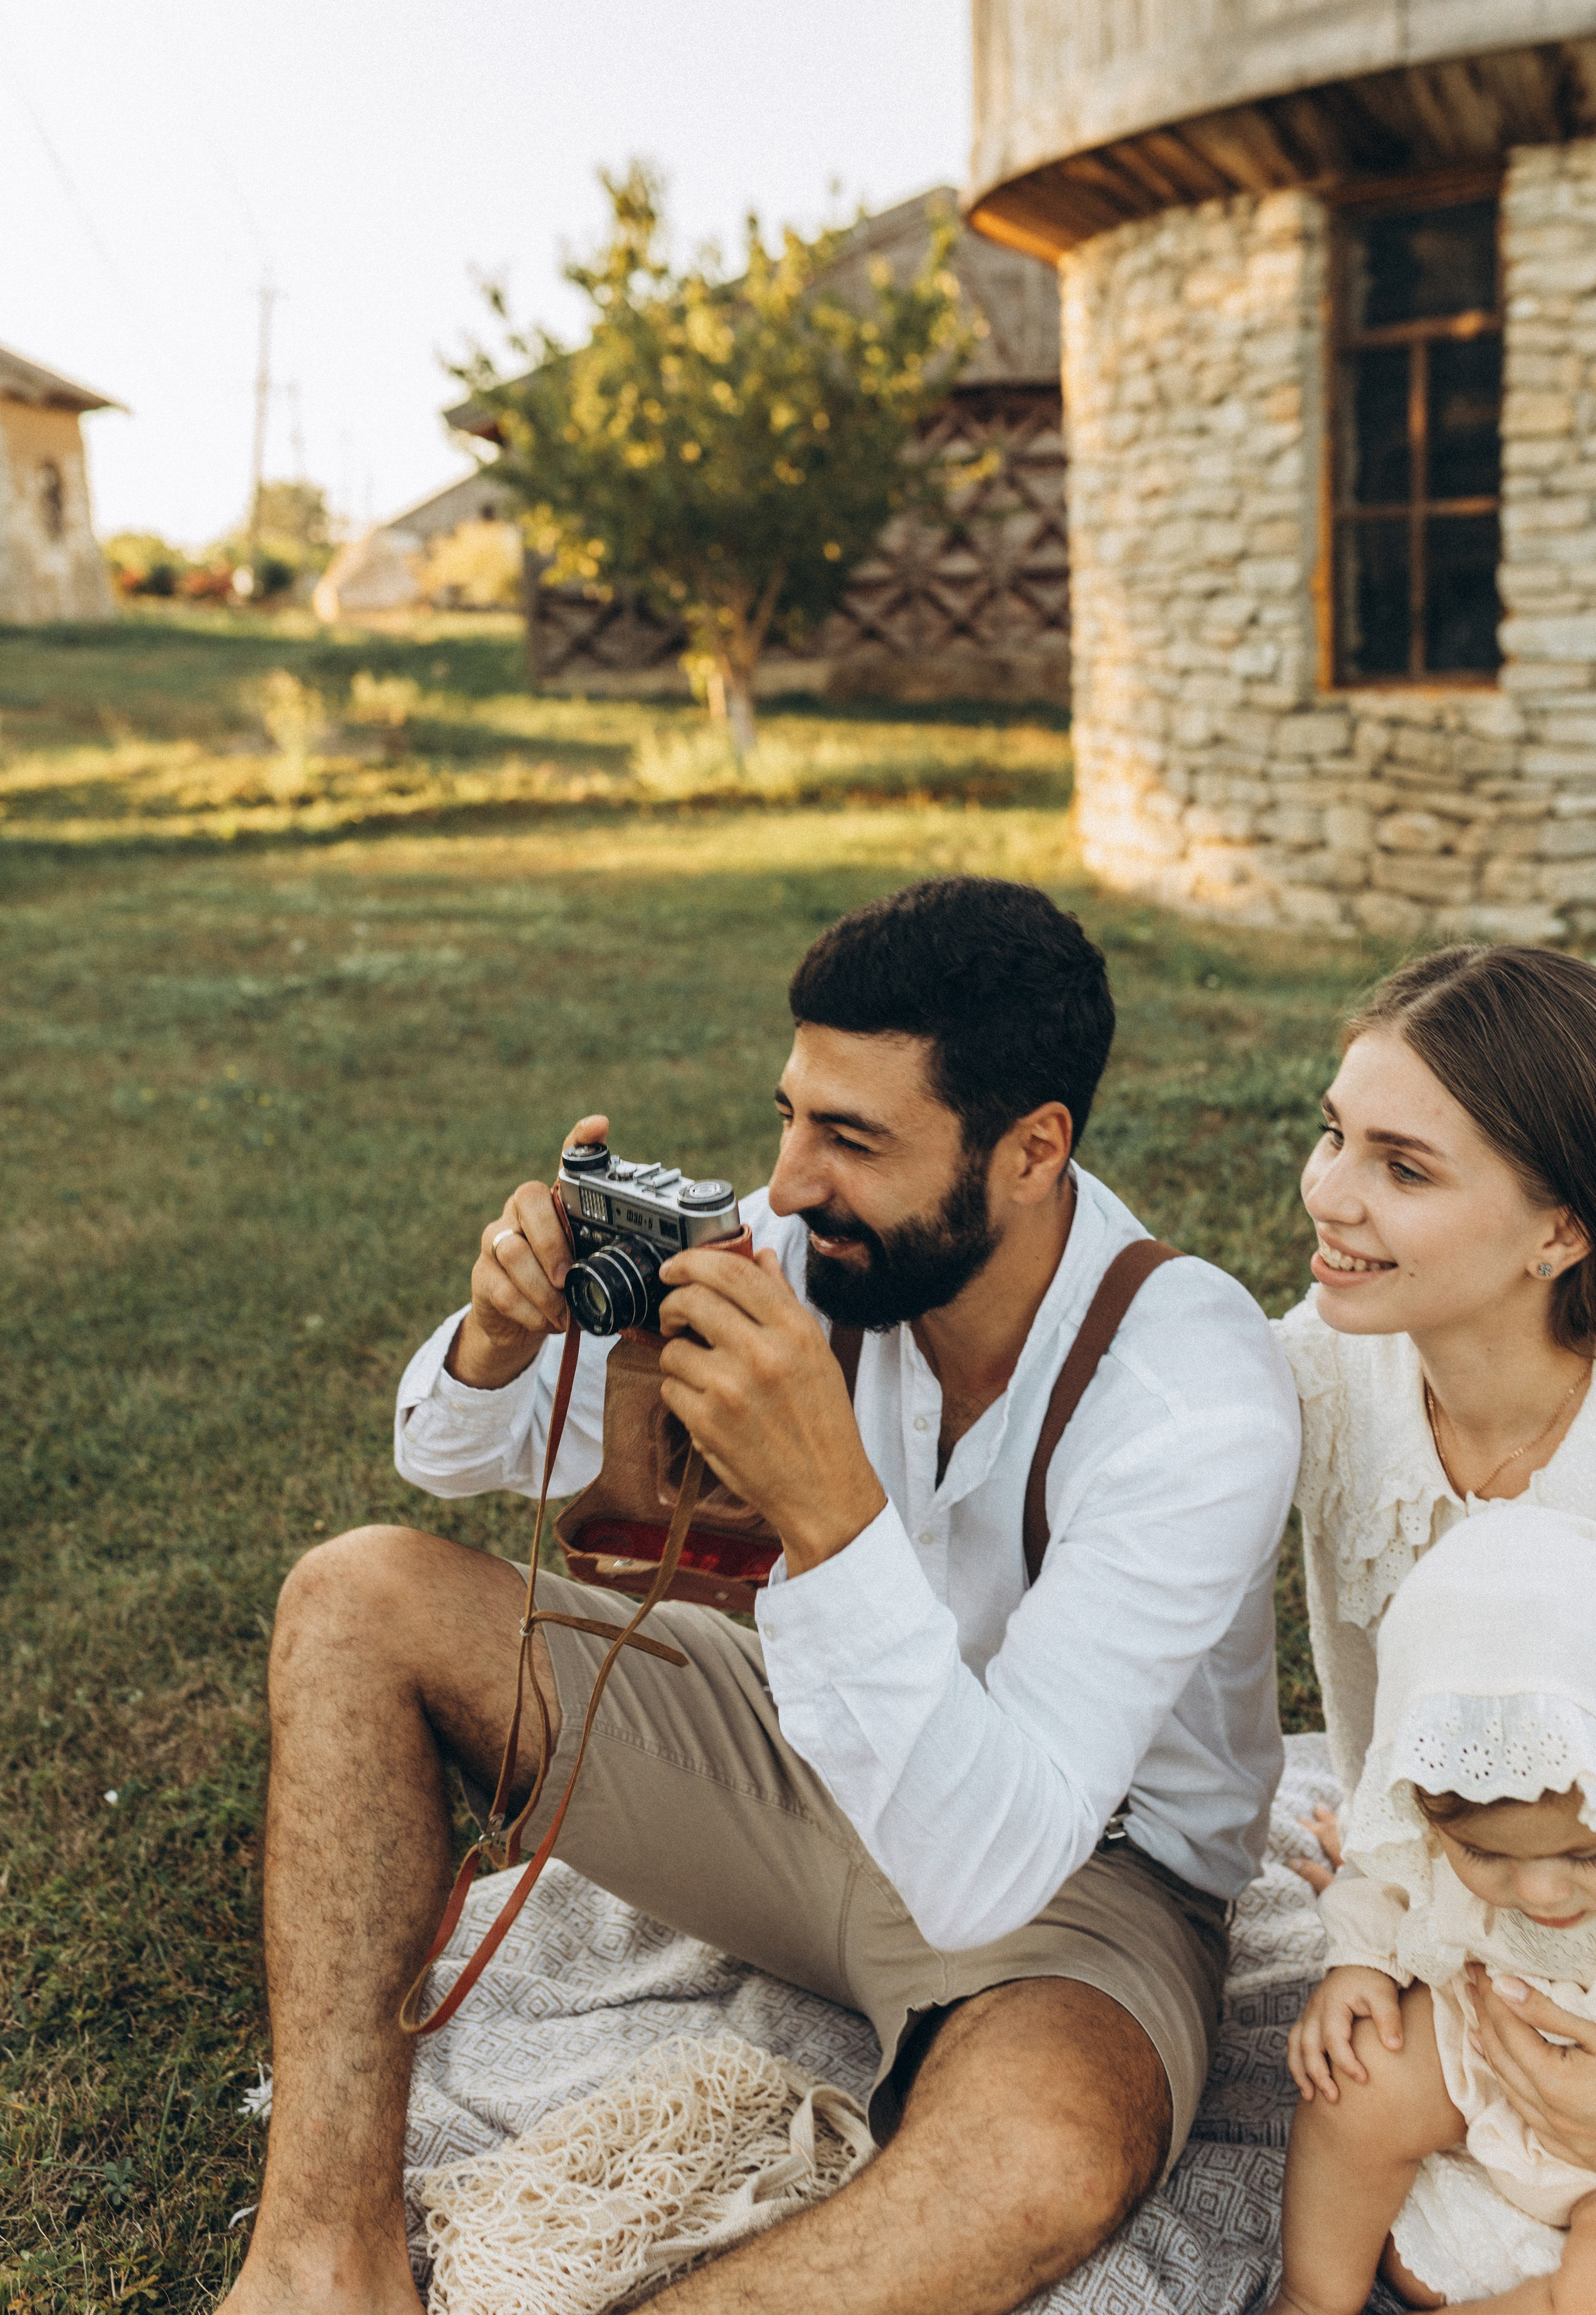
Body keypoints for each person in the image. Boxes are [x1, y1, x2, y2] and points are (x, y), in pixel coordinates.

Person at [223, 875, 1300, 2315]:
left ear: (1031, 1147)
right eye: (792, 1111)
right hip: (796, 1758)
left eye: (850, 1136)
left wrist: (824, 1505)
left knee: (1043, 2152)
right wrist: (495, 1338)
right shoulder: (812, 1244)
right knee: (353, 1593)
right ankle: (315, 2266)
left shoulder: (1192, 1394)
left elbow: (988, 1865)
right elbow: (450, 1453)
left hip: (1071, 1870)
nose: (787, 1180)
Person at [1275, 942, 1596, 2274]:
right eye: (1334, 1136)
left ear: (1558, 1230)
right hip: (1446, 1927)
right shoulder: (1319, 1368)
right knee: (1366, 2144)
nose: (1330, 1198)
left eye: (1401, 1170)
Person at [1265, 1509, 1596, 2314]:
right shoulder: (1427, 1823)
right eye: (1488, 1857)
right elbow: (1389, 1882)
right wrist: (1360, 1963)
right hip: (1475, 2045)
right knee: (1358, 2081)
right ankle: (1313, 2297)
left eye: (1584, 1856)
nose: (1543, 1893)